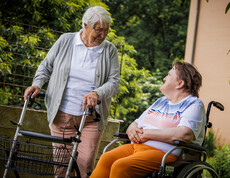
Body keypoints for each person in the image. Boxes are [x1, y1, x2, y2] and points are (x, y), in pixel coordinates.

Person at [24, 6, 120, 178]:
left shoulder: (109, 50)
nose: (103, 35)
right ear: (85, 25)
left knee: (85, 166)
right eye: (98, 30)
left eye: (106, 31)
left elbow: (114, 82)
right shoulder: (65, 41)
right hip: (62, 116)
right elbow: (46, 66)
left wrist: (96, 93)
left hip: (91, 118)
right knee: (61, 167)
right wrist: (37, 84)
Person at [90, 61, 206, 178]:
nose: (164, 78)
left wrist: (147, 134)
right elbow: (136, 123)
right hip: (135, 147)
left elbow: (185, 134)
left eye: (169, 75)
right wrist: (132, 130)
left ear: (180, 83)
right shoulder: (161, 101)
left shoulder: (193, 104)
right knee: (106, 158)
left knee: (121, 165)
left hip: (164, 153)